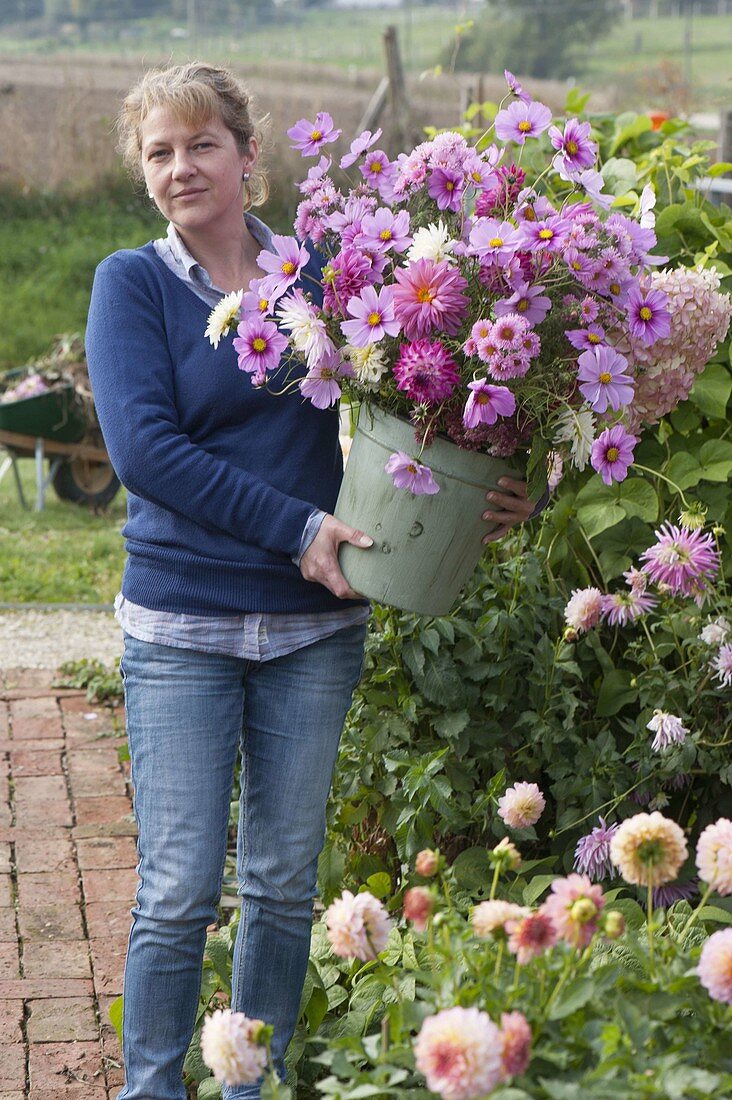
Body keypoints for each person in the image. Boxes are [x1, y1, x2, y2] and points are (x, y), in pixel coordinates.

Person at [85, 62, 539, 1100]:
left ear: (250, 154)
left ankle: (252, 1085)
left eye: (202, 144)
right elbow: (145, 451)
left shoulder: (328, 273)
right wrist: (297, 526)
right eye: (159, 152)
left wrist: (515, 487)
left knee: (283, 886)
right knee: (177, 889)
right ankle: (151, 1086)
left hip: (310, 627)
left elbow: (441, 403)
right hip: (181, 625)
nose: (181, 167)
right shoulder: (134, 283)